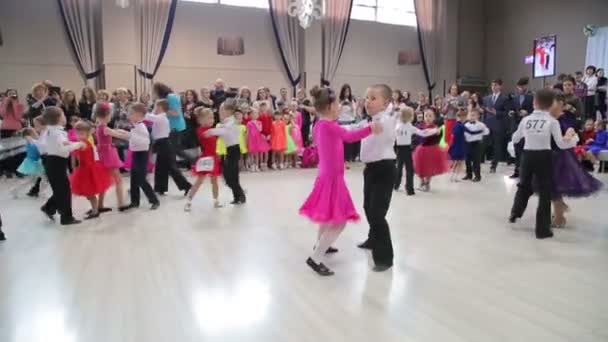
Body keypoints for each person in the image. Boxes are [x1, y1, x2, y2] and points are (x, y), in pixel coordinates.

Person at [299, 86, 380, 276]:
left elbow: (343, 133)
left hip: (327, 175)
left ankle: (321, 246)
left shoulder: (320, 124)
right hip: (332, 177)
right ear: (329, 106)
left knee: (327, 216)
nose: (339, 108)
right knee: (340, 221)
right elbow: (349, 137)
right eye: (336, 104)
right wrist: (370, 128)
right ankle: (316, 257)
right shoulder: (329, 126)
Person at [509, 89, 578, 239]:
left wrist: (516, 139)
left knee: (523, 185)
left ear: (534, 103)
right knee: (545, 193)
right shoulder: (552, 121)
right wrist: (573, 139)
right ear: (550, 105)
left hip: (527, 156)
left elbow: (515, 138)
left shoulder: (526, 120)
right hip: (544, 156)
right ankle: (542, 230)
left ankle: (515, 212)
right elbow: (561, 144)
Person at [545, 93, 603, 227]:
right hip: (548, 154)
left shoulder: (564, 118)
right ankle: (560, 210)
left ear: (560, 104)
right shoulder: (548, 116)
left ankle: (559, 216)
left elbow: (570, 130)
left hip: (560, 156)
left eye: (555, 102)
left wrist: (568, 134)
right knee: (551, 187)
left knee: (554, 187)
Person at [357, 84, 398, 272]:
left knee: (377, 213)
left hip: (385, 169)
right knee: (368, 206)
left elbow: (391, 119)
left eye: (373, 98)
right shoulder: (370, 120)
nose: (368, 102)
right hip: (370, 169)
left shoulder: (387, 119)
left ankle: (384, 258)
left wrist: (395, 110)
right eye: (367, 98)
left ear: (386, 103)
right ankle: (373, 239)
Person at [105, 103, 160, 210]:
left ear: (139, 115)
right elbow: (129, 134)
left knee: (141, 179)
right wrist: (116, 132)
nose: (128, 115)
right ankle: (135, 202)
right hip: (136, 154)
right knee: (134, 179)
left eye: (131, 113)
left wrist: (113, 133)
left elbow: (132, 137)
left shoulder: (141, 127)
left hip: (142, 155)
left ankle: (154, 200)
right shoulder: (136, 126)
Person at [39, 106, 85, 225]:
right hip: (56, 163)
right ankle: (66, 218)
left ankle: (49, 207)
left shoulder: (54, 131)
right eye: (63, 115)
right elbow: (62, 150)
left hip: (54, 163)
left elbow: (63, 143)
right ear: (59, 118)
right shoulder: (56, 133)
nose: (65, 117)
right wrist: (78, 145)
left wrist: (75, 143)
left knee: (62, 190)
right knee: (64, 191)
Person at [69, 121, 114, 220]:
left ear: (87, 134)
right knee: (89, 194)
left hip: (88, 170)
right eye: (77, 133)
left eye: (81, 134)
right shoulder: (85, 142)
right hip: (85, 169)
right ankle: (95, 208)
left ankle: (95, 211)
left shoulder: (83, 143)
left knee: (90, 194)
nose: (79, 136)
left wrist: (67, 143)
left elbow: (76, 147)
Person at [146, 99, 192, 196]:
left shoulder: (161, 117)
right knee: (160, 167)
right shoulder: (159, 117)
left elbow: (149, 117)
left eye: (156, 106)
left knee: (171, 167)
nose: (155, 108)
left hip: (164, 144)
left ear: (160, 107)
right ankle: (160, 188)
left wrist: (142, 112)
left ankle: (186, 186)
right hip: (160, 143)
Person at [205, 98, 246, 205]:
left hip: (234, 150)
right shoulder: (228, 121)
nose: (219, 112)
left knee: (229, 175)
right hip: (231, 150)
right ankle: (238, 196)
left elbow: (223, 131)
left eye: (222, 110)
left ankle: (240, 195)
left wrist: (210, 131)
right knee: (230, 175)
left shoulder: (231, 122)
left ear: (228, 111)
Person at [185, 107, 223, 211]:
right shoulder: (201, 130)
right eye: (209, 118)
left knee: (214, 181)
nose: (212, 120)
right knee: (199, 181)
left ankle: (216, 200)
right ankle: (189, 201)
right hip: (206, 158)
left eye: (213, 118)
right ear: (201, 120)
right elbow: (205, 135)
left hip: (214, 158)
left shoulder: (211, 130)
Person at [394, 107, 437, 195]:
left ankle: (397, 186)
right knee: (408, 170)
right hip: (405, 149)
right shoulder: (407, 126)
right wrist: (435, 130)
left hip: (401, 149)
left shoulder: (398, 124)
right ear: (409, 116)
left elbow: (422, 133)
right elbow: (423, 133)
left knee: (400, 168)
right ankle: (409, 189)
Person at [94, 102, 128, 212]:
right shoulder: (104, 128)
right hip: (108, 155)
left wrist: (121, 131)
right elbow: (117, 134)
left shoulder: (99, 126)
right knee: (118, 180)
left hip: (104, 154)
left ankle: (100, 204)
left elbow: (115, 132)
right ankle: (121, 203)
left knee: (105, 180)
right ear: (107, 115)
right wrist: (130, 135)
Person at [153, 82, 191, 168]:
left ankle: (193, 160)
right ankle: (172, 167)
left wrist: (161, 112)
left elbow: (175, 113)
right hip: (171, 127)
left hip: (175, 126)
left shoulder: (171, 97)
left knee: (175, 149)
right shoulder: (166, 98)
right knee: (172, 149)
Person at [413, 108, 450, 191]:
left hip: (432, 150)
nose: (428, 118)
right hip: (421, 150)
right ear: (423, 117)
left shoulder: (436, 128)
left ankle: (427, 183)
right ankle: (421, 181)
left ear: (434, 117)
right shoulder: (420, 126)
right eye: (426, 116)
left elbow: (439, 137)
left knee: (429, 168)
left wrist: (438, 132)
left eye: (430, 116)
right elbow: (417, 137)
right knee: (419, 167)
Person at [483, 79, 511, 173]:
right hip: (488, 124)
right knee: (486, 144)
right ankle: (483, 160)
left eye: (495, 85)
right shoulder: (487, 98)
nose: (493, 87)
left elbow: (507, 113)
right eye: (492, 85)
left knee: (497, 146)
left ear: (500, 86)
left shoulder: (505, 98)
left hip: (499, 124)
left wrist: (497, 112)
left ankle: (493, 165)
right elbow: (484, 112)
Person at [509, 77, 534, 178]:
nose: (521, 88)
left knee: (526, 148)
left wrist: (528, 113)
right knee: (516, 148)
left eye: (523, 86)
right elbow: (512, 108)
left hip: (527, 125)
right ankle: (517, 170)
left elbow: (535, 110)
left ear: (526, 86)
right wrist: (510, 112)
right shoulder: (515, 97)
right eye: (519, 86)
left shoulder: (531, 97)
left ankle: (527, 172)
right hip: (516, 124)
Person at [10, 128, 46, 198]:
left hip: (34, 162)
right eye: (34, 132)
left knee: (33, 180)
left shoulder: (31, 141)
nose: (36, 133)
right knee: (40, 179)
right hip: (33, 163)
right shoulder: (30, 140)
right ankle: (14, 189)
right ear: (30, 134)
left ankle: (15, 189)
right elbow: (36, 146)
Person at [0, 89, 25, 178]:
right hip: (5, 129)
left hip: (16, 129)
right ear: (6, 95)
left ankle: (18, 169)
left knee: (17, 150)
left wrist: (14, 103)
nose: (12, 95)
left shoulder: (20, 105)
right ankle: (7, 169)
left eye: (13, 93)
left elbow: (18, 117)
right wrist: (6, 101)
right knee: (6, 150)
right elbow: (2, 114)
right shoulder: (3, 104)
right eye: (10, 94)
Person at [463, 108, 490, 182]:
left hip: (477, 144)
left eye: (473, 115)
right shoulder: (466, 124)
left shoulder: (481, 125)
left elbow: (487, 132)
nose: (472, 117)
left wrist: (481, 136)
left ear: (478, 116)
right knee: (467, 160)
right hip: (468, 143)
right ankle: (469, 175)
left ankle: (477, 176)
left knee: (476, 161)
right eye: (470, 115)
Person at [338, 84, 359, 165]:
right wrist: (342, 103)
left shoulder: (352, 100)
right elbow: (337, 112)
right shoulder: (339, 100)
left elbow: (354, 113)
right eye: (345, 91)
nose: (347, 93)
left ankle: (348, 158)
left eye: (348, 91)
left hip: (350, 122)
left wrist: (350, 104)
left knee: (349, 142)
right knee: (341, 142)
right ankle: (341, 158)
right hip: (341, 122)